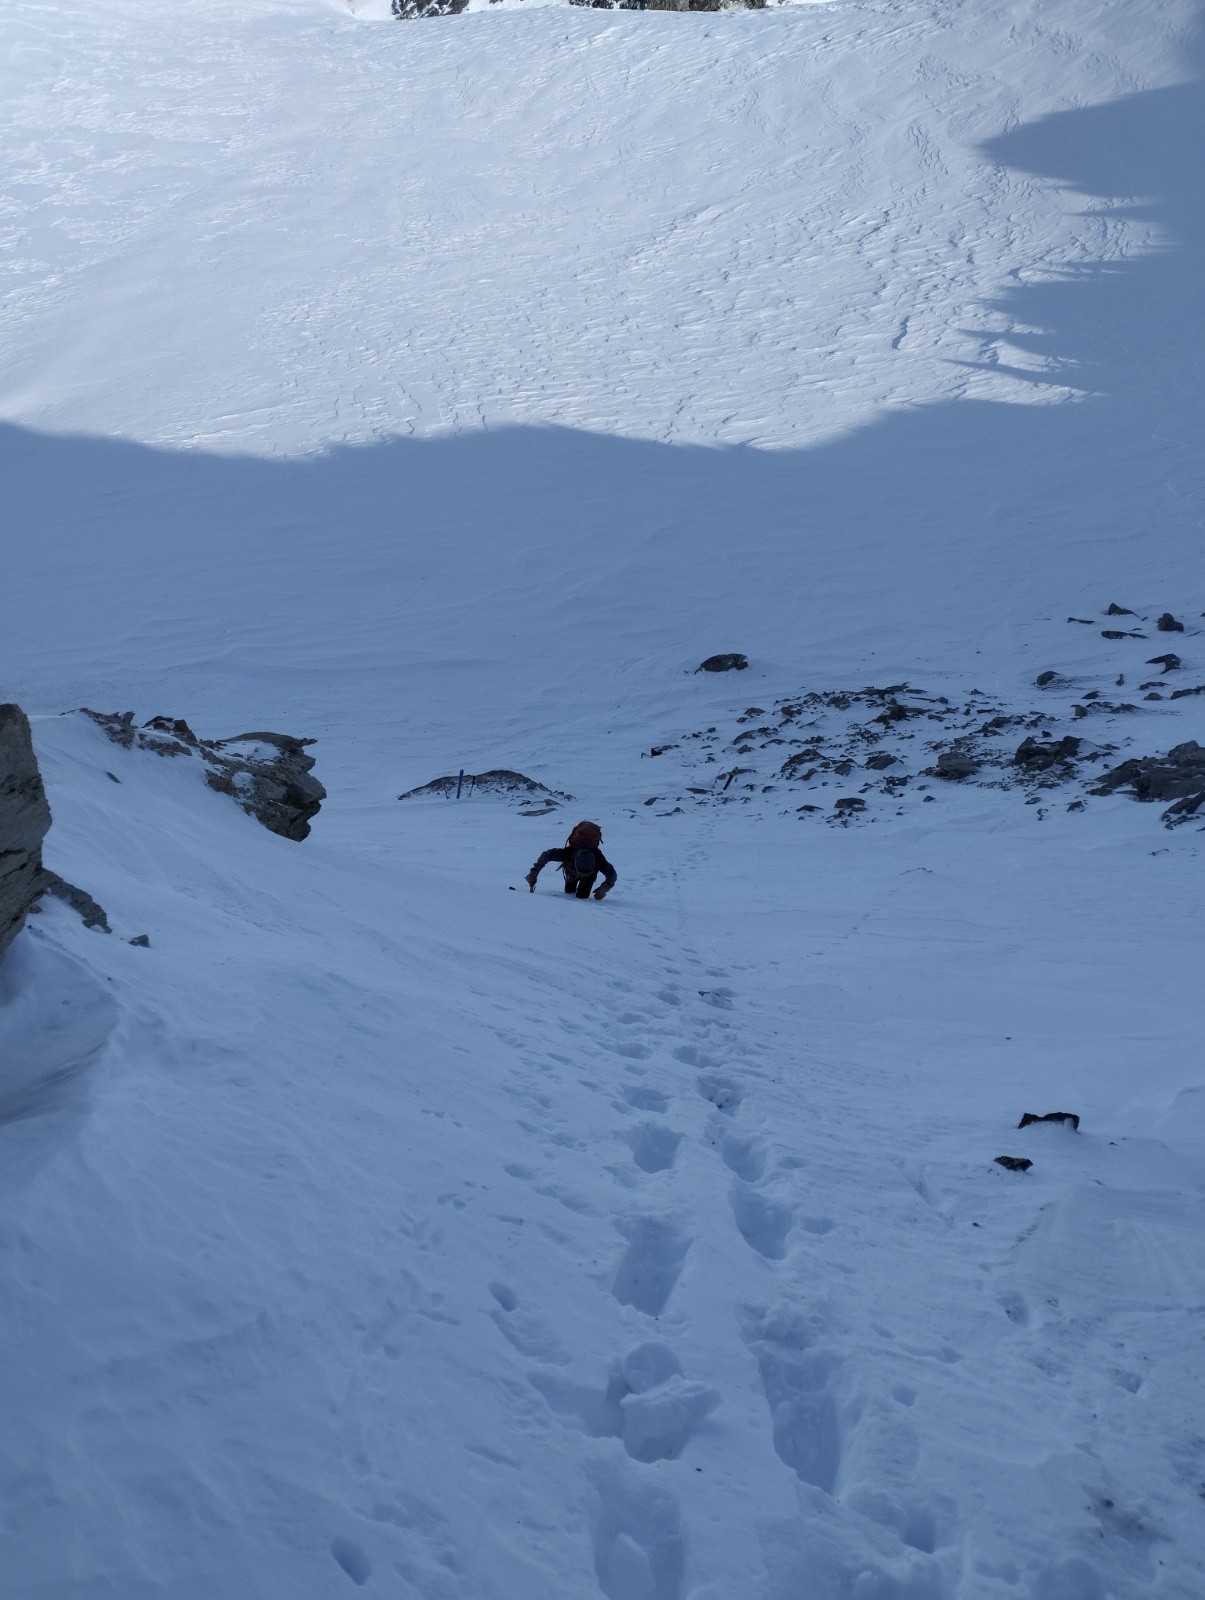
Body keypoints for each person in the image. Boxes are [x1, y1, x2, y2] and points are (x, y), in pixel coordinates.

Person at [526, 820, 617, 900]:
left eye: (585, 873)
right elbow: (546, 855)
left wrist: (604, 888)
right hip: (571, 869)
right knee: (569, 891)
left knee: (582, 896)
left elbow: (612, 875)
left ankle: (585, 881)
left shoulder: (599, 858)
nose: (582, 874)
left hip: (586, 874)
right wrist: (533, 872)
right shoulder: (568, 853)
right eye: (581, 872)